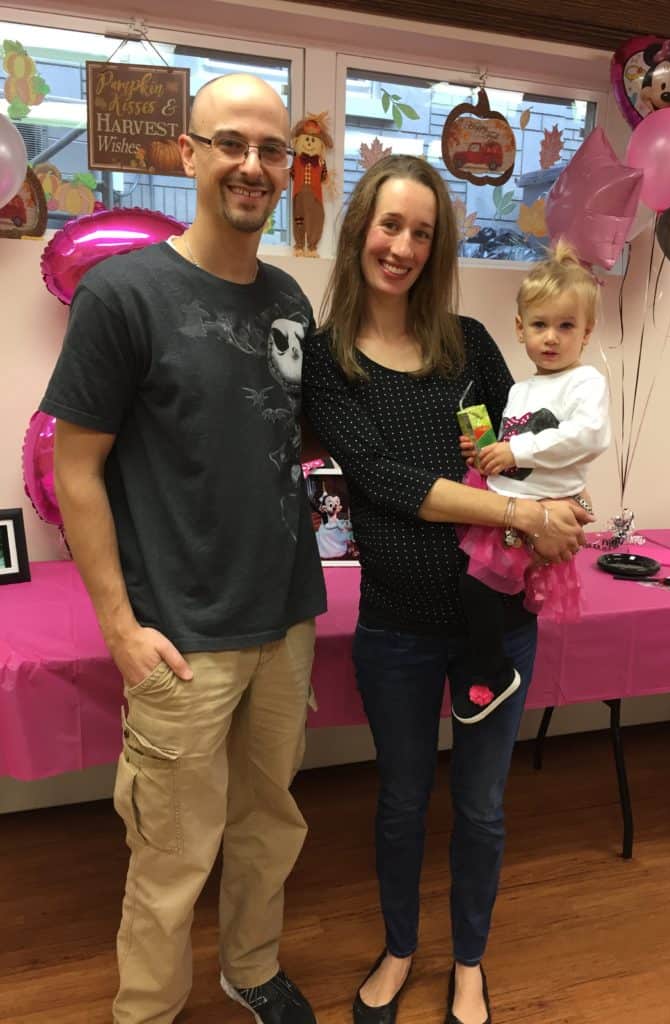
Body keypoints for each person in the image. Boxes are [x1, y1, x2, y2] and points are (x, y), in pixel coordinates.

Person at [40, 74, 326, 1024]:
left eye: (272, 150)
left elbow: (290, 441)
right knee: (169, 852)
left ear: (287, 169)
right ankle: (147, 1012)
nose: (253, 165)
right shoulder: (123, 296)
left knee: (267, 826)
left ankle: (250, 968)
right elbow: (75, 470)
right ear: (188, 153)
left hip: (284, 619)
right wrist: (120, 629)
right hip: (179, 636)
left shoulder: (289, 300)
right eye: (232, 143)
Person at [302, 154, 591, 1024]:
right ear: (360, 230)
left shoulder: (469, 343)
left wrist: (564, 494)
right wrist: (516, 510)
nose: (403, 247)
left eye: (423, 232)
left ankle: (469, 961)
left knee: (482, 806)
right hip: (396, 625)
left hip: (494, 624)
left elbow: (527, 440)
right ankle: (399, 948)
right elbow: (383, 476)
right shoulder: (328, 360)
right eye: (390, 225)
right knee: (399, 801)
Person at [453, 240, 610, 724]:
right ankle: (488, 664)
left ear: (586, 332)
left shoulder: (585, 383)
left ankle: (494, 671)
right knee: (479, 592)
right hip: (508, 502)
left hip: (544, 510)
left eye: (566, 326)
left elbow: (589, 435)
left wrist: (514, 450)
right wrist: (485, 455)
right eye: (540, 325)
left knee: (488, 592)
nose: (552, 338)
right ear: (520, 329)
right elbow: (514, 450)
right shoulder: (522, 388)